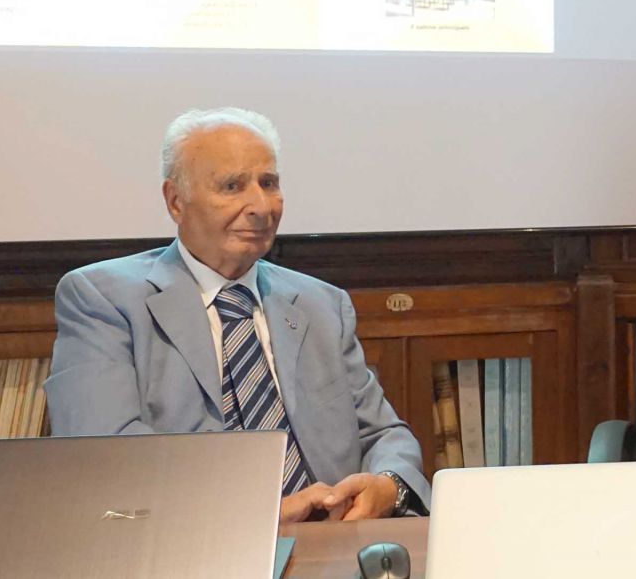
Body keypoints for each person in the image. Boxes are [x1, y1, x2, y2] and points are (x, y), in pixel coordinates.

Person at [45, 108, 429, 523]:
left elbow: (383, 433)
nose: (261, 206)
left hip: (333, 538)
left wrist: (389, 485)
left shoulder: (321, 304)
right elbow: (105, 454)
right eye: (232, 186)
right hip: (194, 543)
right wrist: (257, 515)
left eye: (269, 183)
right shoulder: (104, 299)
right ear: (176, 201)